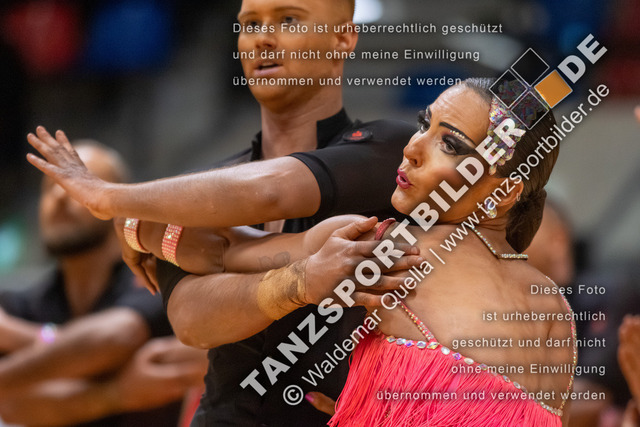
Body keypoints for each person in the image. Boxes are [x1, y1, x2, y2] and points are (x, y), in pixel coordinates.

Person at [27, 77, 576, 425]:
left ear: (504, 192)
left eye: (449, 144)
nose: (412, 147)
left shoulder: (393, 248)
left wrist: (126, 218)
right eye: (423, 125)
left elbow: (225, 251)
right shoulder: (558, 313)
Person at [26, 0, 418, 425]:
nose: (262, 38)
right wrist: (300, 280)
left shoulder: (393, 150)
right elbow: (193, 320)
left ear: (342, 37)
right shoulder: (197, 190)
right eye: (249, 24)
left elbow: (271, 191)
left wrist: (114, 199)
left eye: (288, 19)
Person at [0, 141, 207, 426]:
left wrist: (16, 340)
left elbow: (115, 337)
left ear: (119, 203)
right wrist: (115, 392)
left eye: (74, 185)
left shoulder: (155, 276)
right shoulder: (17, 304)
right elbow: (11, 406)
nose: (58, 197)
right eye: (49, 188)